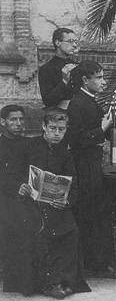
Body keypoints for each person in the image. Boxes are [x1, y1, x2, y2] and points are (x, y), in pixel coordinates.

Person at [3, 108, 91, 298]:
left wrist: (65, 201)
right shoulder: (28, 147)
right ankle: (46, 283)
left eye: (61, 129)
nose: (56, 133)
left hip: (55, 205)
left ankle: (64, 281)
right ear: (43, 127)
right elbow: (11, 175)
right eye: (52, 128)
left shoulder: (66, 154)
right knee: (38, 229)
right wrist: (21, 186)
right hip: (29, 204)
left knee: (70, 229)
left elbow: (74, 185)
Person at [66, 60, 116, 278]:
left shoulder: (90, 101)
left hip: (93, 162)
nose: (102, 81)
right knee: (89, 212)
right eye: (98, 77)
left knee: (96, 212)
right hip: (84, 164)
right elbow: (77, 139)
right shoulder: (78, 103)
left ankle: (97, 262)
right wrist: (103, 128)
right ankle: (93, 263)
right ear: (84, 80)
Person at [0, 105, 26, 284]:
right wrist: (16, 188)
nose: (18, 124)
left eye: (21, 119)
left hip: (25, 195)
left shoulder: (28, 144)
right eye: (13, 120)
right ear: (3, 122)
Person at [38, 28, 79, 109]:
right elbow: (48, 101)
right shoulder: (46, 69)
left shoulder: (78, 66)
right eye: (70, 41)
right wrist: (64, 81)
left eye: (75, 42)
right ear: (58, 43)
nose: (74, 45)